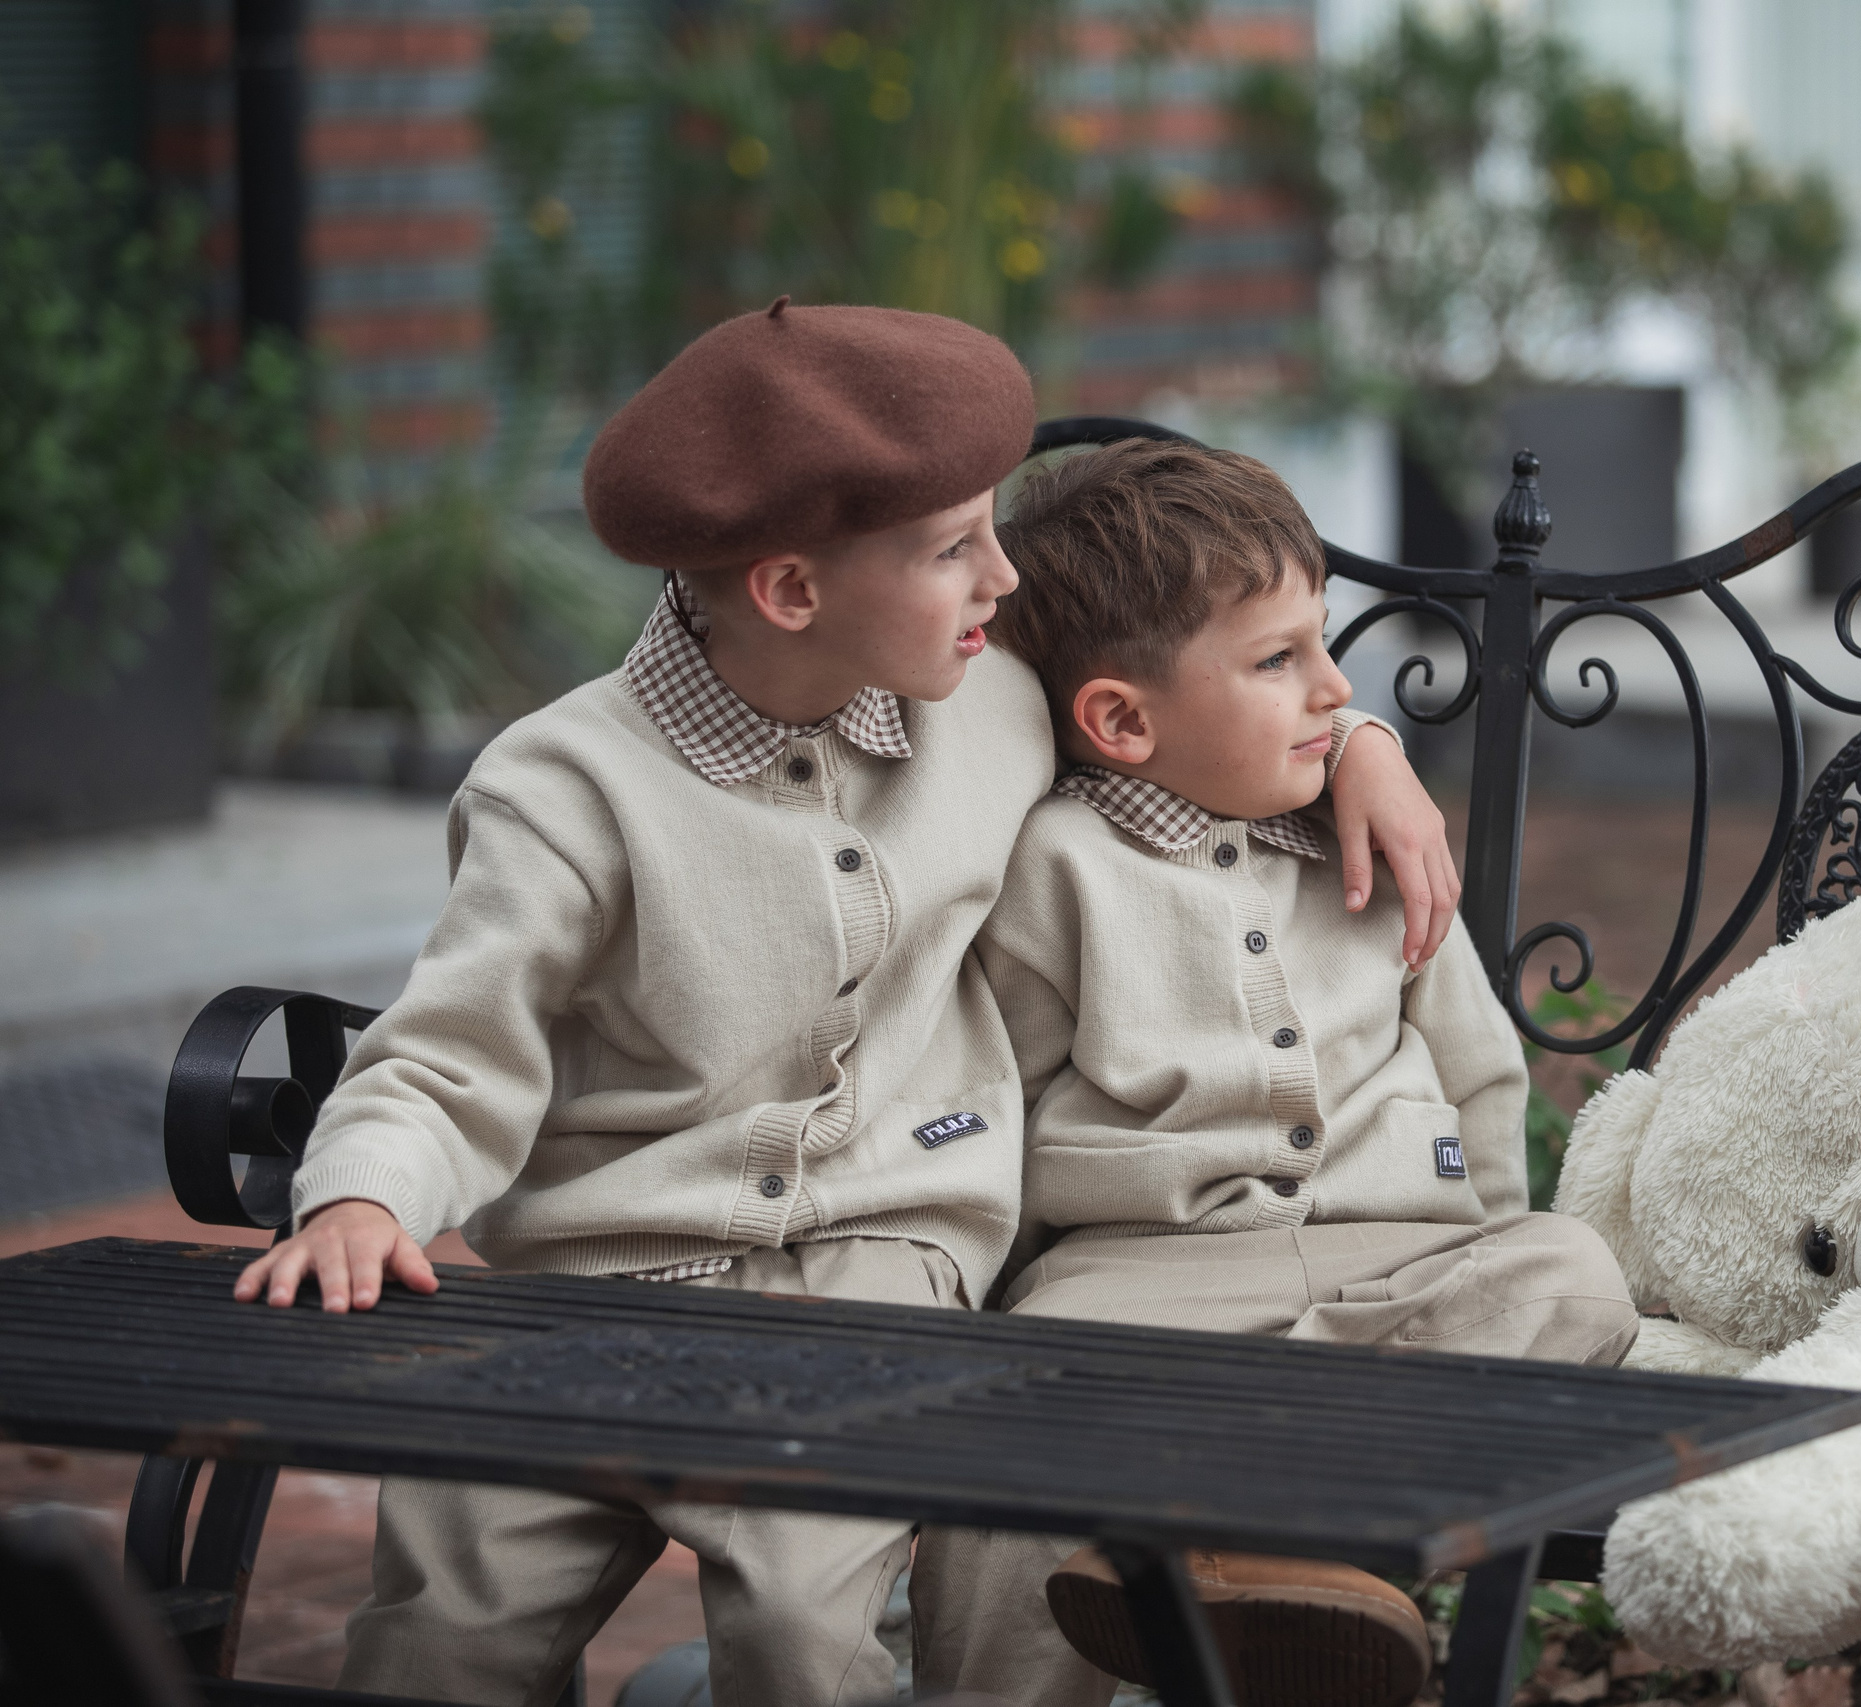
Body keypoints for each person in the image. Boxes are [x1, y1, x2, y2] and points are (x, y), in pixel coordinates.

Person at [230, 302, 1459, 1707]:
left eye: (993, 527)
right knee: (436, 1632)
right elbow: (451, 1051)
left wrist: (1358, 743)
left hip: (872, 1272)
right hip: (587, 1291)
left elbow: (1188, 703)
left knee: (809, 1634)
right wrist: (363, 1196)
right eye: (954, 550)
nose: (1004, 578)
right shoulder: (563, 791)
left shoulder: (989, 700)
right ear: (792, 591)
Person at [909, 437, 1638, 1707]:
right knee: (1007, 1464)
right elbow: (998, 1098)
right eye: (1278, 661)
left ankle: (1251, 1522)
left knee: (1567, 1275)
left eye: (1324, 646)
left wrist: (1479, 1232)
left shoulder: (1367, 834)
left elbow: (1474, 1068)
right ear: (1120, 720)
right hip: (1145, 1286)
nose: (1334, 688)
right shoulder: (1051, 865)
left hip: (1395, 1267)